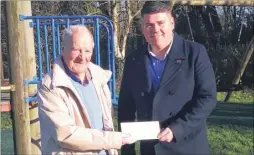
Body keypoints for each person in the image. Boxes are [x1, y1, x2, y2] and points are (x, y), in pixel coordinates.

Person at [118, 1, 217, 155]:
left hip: (187, 146)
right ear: (142, 28)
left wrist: (178, 128)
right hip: (151, 149)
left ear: (172, 22)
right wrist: (127, 149)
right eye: (149, 25)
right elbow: (126, 107)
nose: (155, 30)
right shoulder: (134, 60)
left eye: (160, 23)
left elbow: (207, 98)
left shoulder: (194, 53)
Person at [38, 25, 134, 155]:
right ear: (63, 50)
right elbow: (65, 134)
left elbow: (106, 123)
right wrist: (112, 139)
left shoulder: (99, 78)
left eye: (87, 51)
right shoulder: (50, 86)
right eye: (76, 50)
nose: (82, 57)